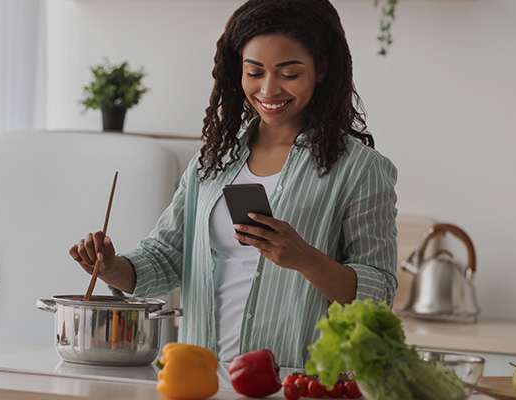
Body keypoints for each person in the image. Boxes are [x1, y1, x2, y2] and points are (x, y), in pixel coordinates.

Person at [69, 0, 398, 368]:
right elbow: (164, 259)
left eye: (288, 74)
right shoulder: (212, 161)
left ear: (321, 69)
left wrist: (305, 259)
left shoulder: (360, 170)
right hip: (201, 378)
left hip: (299, 382)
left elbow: (379, 294)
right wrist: (111, 265)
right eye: (254, 72)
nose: (269, 90)